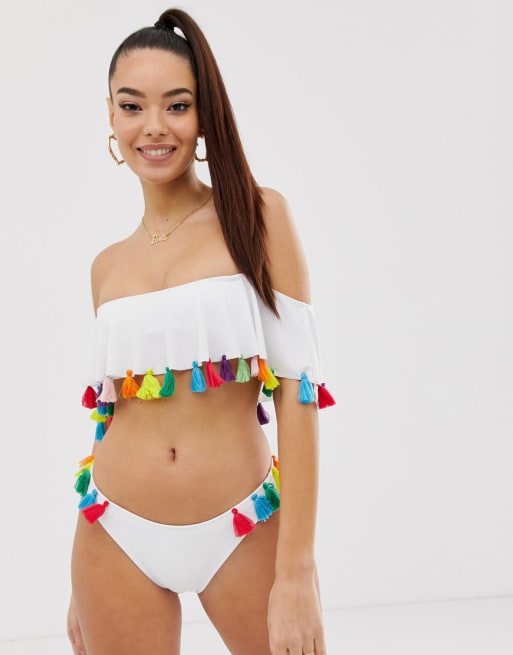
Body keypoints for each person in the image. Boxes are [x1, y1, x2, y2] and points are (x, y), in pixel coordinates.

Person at [67, 8, 335, 655]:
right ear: (111, 117)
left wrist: (297, 571)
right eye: (132, 106)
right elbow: (112, 412)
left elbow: (299, 394)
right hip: (112, 533)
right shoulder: (106, 266)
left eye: (177, 105)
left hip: (242, 526)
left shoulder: (257, 216)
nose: (154, 126)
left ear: (204, 114)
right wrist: (81, 583)